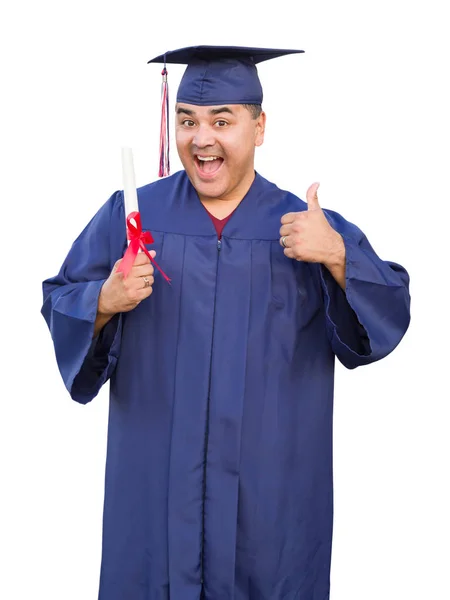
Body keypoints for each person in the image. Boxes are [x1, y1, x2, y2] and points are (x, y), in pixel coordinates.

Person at [41, 46, 411, 600]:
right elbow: (61, 298)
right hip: (156, 500)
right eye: (187, 120)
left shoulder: (304, 227)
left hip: (272, 509)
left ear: (259, 127)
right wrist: (104, 299)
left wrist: (337, 256)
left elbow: (389, 315)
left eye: (222, 120)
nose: (201, 137)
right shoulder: (134, 216)